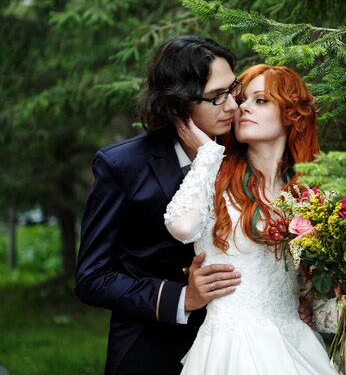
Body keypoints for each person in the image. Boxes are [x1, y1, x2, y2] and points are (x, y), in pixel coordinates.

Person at [164, 64, 346, 375]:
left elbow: (303, 300)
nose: (242, 107)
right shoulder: (213, 176)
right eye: (242, 99)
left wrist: (343, 309)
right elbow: (181, 227)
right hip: (231, 347)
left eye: (260, 100)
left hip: (294, 345)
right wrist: (206, 155)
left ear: (292, 114)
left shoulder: (309, 199)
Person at [75, 36, 244, 375]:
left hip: (234, 346)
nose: (233, 106)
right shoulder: (122, 166)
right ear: (176, 106)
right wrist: (182, 298)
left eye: (233, 89)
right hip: (151, 348)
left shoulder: (243, 154)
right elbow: (92, 278)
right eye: (216, 97)